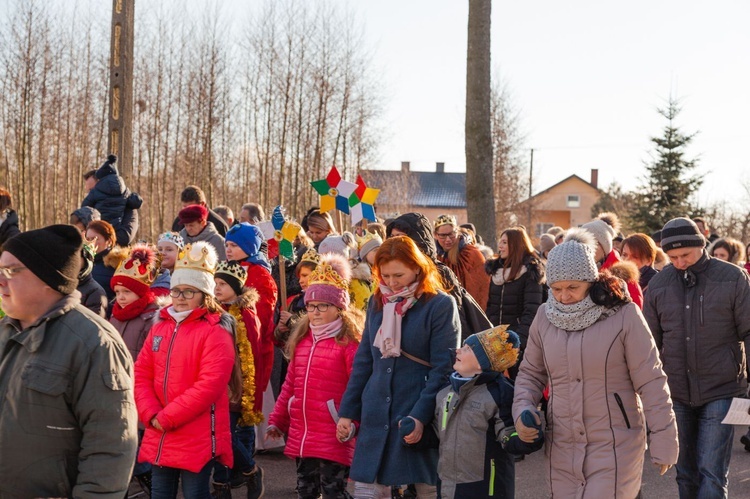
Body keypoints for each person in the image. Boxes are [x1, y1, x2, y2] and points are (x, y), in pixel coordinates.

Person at [513, 228, 678, 498]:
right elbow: (530, 373)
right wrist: (522, 410)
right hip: (562, 445)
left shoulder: (623, 314)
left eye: (572, 288)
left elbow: (651, 379)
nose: (564, 296)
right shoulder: (544, 316)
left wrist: (663, 438)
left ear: (590, 281)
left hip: (615, 443)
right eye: (556, 289)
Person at [0, 224, 137, 496]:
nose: (1, 280)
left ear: (48, 278)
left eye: (11, 271)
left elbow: (110, 450)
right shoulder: (5, 331)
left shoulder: (94, 343)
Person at [336, 236, 460, 498]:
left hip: (417, 409)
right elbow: (364, 361)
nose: (391, 283)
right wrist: (348, 412)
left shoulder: (440, 305)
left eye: (398, 275)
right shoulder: (378, 301)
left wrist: (419, 416)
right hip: (377, 411)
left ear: (417, 267)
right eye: (385, 275)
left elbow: (444, 370)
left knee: (422, 488)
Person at [644, 217, 750, 498]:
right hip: (676, 391)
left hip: (722, 389)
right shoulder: (658, 285)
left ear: (701, 246)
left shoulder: (732, 277)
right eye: (673, 256)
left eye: (686, 255)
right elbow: (649, 343)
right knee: (686, 474)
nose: (680, 262)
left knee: (712, 473)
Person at [134, 242, 236, 498]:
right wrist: (151, 412)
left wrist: (167, 417)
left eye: (189, 292)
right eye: (176, 290)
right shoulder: (160, 327)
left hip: (195, 432)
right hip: (159, 427)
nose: (180, 297)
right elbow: (142, 373)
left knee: (195, 493)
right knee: (160, 492)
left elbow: (210, 385)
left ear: (204, 294)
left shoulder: (215, 332)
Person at [267, 253, 363, 498]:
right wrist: (278, 419)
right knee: (305, 490)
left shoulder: (348, 343)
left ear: (339, 308)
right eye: (311, 306)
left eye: (323, 305)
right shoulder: (302, 341)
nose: (316, 311)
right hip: (304, 431)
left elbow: (358, 386)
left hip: (334, 431)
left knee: (334, 491)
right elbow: (291, 384)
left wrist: (352, 422)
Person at [436, 326, 541, 498]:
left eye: (467, 349)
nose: (457, 351)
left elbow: (507, 434)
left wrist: (525, 437)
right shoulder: (445, 392)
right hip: (447, 486)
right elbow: (437, 432)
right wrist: (417, 432)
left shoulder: (499, 393)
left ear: (483, 362)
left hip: (486, 488)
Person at [386, 212, 492, 343]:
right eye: (392, 237)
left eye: (402, 238)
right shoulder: (386, 274)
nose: (396, 243)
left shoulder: (440, 271)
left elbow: (457, 318)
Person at [109, 244, 161, 493]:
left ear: (140, 292)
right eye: (118, 291)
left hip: (137, 386)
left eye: (126, 292)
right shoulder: (115, 315)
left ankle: (148, 475)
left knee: (136, 440)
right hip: (113, 382)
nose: (120, 297)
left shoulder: (150, 318)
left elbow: (147, 357)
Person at [212, 261, 266, 498]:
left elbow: (252, 353)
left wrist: (247, 390)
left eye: (222, 284)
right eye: (215, 283)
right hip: (215, 379)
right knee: (215, 434)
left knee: (224, 434)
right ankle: (221, 486)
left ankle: (250, 470)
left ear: (236, 286)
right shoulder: (214, 310)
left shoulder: (245, 314)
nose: (217, 288)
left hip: (236, 383)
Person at [484, 227, 546, 379]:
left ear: (516, 245)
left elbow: (532, 311)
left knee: (519, 383)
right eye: (500, 242)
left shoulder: (531, 272)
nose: (500, 246)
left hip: (519, 342)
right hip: (496, 339)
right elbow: (491, 307)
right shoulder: (496, 271)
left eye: (505, 242)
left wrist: (519, 342)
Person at [80, 154, 143, 246]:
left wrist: (98, 239)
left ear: (101, 183)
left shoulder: (128, 204)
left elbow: (125, 237)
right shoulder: (88, 210)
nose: (89, 195)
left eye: (91, 190)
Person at [581, 218, 643, 308]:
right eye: (582, 243)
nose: (587, 248)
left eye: (594, 243)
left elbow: (635, 311)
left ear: (605, 247)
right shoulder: (576, 271)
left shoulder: (625, 275)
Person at [433, 214, 490, 310]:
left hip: (469, 311)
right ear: (435, 235)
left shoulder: (471, 254)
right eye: (443, 236)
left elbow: (481, 289)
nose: (448, 240)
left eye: (451, 234)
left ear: (457, 232)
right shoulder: (436, 257)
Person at [86, 219, 127, 305]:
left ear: (108, 241)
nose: (90, 243)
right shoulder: (82, 263)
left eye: (95, 239)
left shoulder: (118, 265)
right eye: (88, 239)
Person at [77, 238, 108, 317]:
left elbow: (92, 326)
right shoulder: (61, 287)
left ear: (86, 261)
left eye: (77, 257)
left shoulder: (95, 292)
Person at [152, 231, 185, 298]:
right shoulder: (151, 275)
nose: (163, 253)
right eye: (160, 249)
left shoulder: (184, 276)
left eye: (169, 250)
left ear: (180, 254)